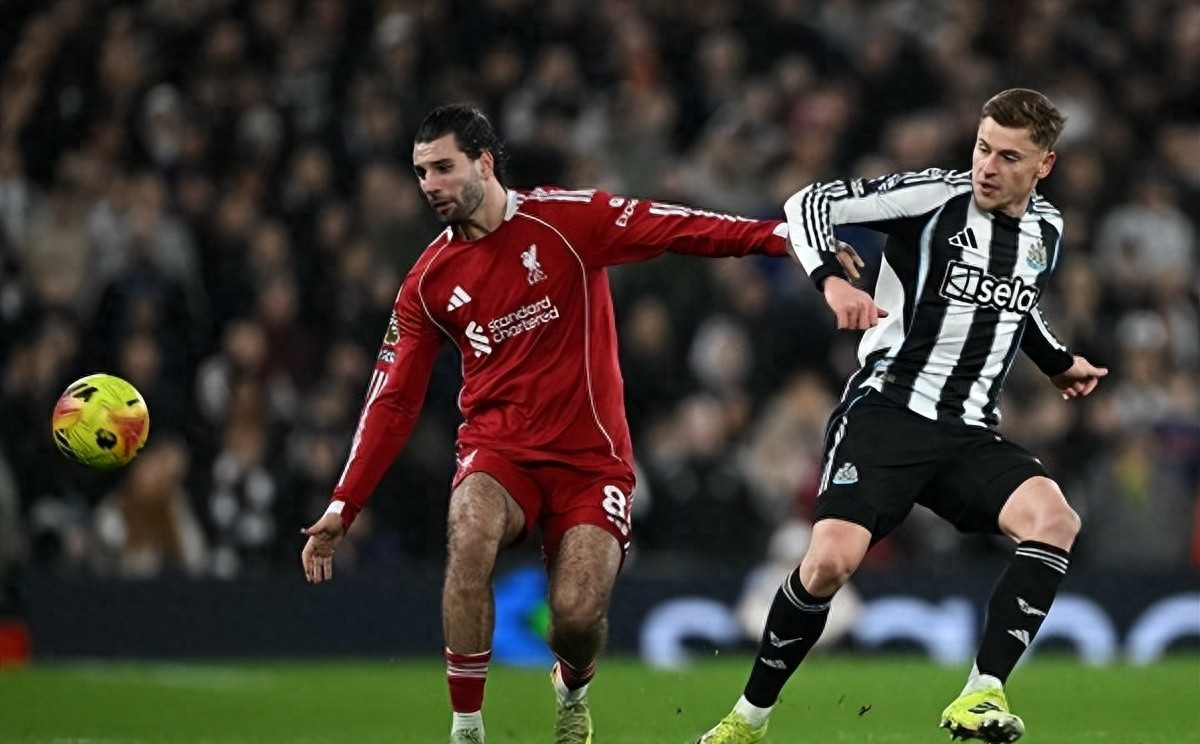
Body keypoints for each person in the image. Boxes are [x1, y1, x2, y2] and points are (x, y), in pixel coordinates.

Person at [299, 104, 871, 744]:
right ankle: (466, 728)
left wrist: (782, 238)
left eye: (442, 167)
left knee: (573, 619)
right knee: (469, 529)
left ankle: (572, 688)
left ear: (484, 164)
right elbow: (392, 398)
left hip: (590, 464)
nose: (428, 184)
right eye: (420, 172)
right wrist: (344, 503)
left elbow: (676, 227)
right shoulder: (427, 281)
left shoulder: (566, 221)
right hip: (498, 453)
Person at [693, 88, 1108, 744]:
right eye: (982, 148)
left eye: (1009, 157)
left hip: (969, 431)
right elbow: (808, 203)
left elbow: (1017, 304)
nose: (987, 166)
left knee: (1055, 520)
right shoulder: (933, 196)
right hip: (888, 411)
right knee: (829, 564)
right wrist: (831, 279)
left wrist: (1056, 362)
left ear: (1044, 165)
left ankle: (981, 693)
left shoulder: (1045, 231)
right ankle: (749, 718)